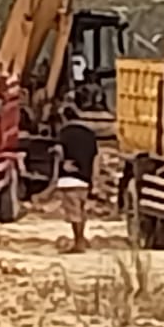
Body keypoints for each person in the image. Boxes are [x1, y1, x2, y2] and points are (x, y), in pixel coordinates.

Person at [54, 105, 99, 254]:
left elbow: (60, 153)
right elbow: (96, 158)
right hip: (85, 179)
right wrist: (94, 180)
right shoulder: (90, 134)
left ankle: (78, 242)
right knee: (81, 210)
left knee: (74, 213)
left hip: (69, 179)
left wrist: (61, 163)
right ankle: (82, 239)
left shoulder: (64, 133)